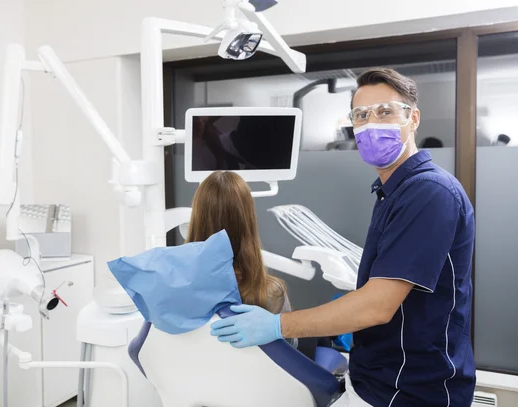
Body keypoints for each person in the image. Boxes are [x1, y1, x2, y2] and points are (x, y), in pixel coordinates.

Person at [210, 68, 476, 407]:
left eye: (384, 111)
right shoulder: (393, 191)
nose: (370, 124)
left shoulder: (428, 192)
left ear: (413, 118)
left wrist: (279, 325)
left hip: (409, 390)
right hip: (379, 378)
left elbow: (378, 306)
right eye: (361, 115)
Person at [187, 170, 298, 348]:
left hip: (199, 374)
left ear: (196, 219)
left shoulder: (175, 290)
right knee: (315, 340)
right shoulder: (270, 293)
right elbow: (289, 352)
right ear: (248, 220)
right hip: (257, 375)